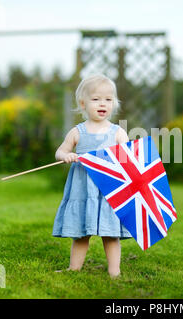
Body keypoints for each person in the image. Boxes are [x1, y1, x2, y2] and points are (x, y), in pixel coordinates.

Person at [52, 74, 132, 278]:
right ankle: (74, 268)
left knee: (110, 233)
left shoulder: (117, 132)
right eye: (96, 99)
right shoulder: (77, 132)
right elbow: (59, 152)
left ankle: (115, 271)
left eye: (108, 99)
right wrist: (67, 155)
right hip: (82, 189)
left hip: (108, 190)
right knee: (81, 233)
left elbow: (128, 159)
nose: (102, 104)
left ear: (114, 103)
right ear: (83, 103)